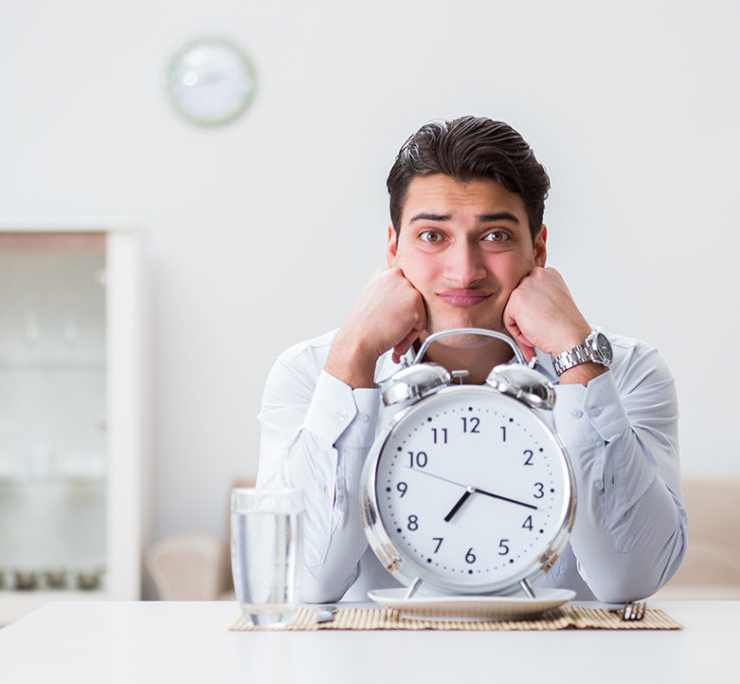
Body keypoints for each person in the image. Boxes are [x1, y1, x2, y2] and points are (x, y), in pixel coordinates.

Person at [257, 115, 686, 603]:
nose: (463, 271)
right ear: (394, 249)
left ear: (538, 249)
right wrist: (354, 355)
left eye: (495, 235)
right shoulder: (312, 374)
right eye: (432, 236)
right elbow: (305, 581)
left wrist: (577, 355)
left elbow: (629, 580)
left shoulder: (627, 372)